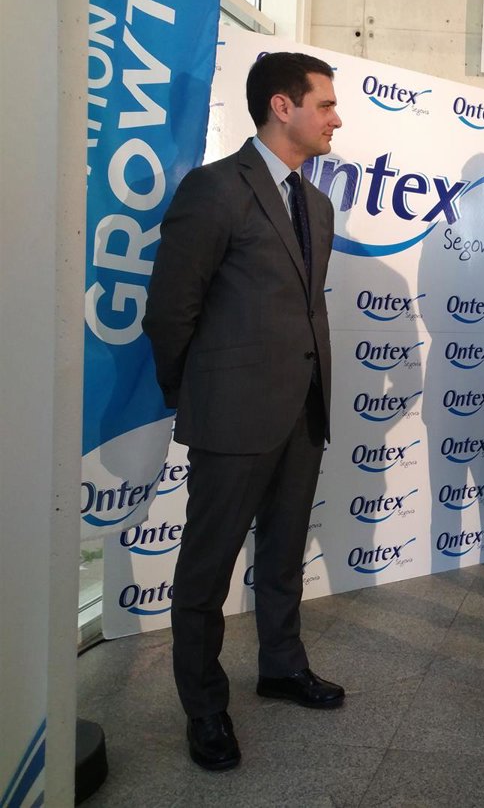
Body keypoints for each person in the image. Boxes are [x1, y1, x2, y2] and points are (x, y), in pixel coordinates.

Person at [143, 52, 344, 771]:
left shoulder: (316, 203)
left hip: (303, 412)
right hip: (231, 418)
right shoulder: (215, 189)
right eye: (325, 104)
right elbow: (170, 310)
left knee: (284, 555)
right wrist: (198, 392)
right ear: (282, 107)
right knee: (206, 572)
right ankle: (205, 709)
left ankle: (282, 666)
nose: (336, 118)